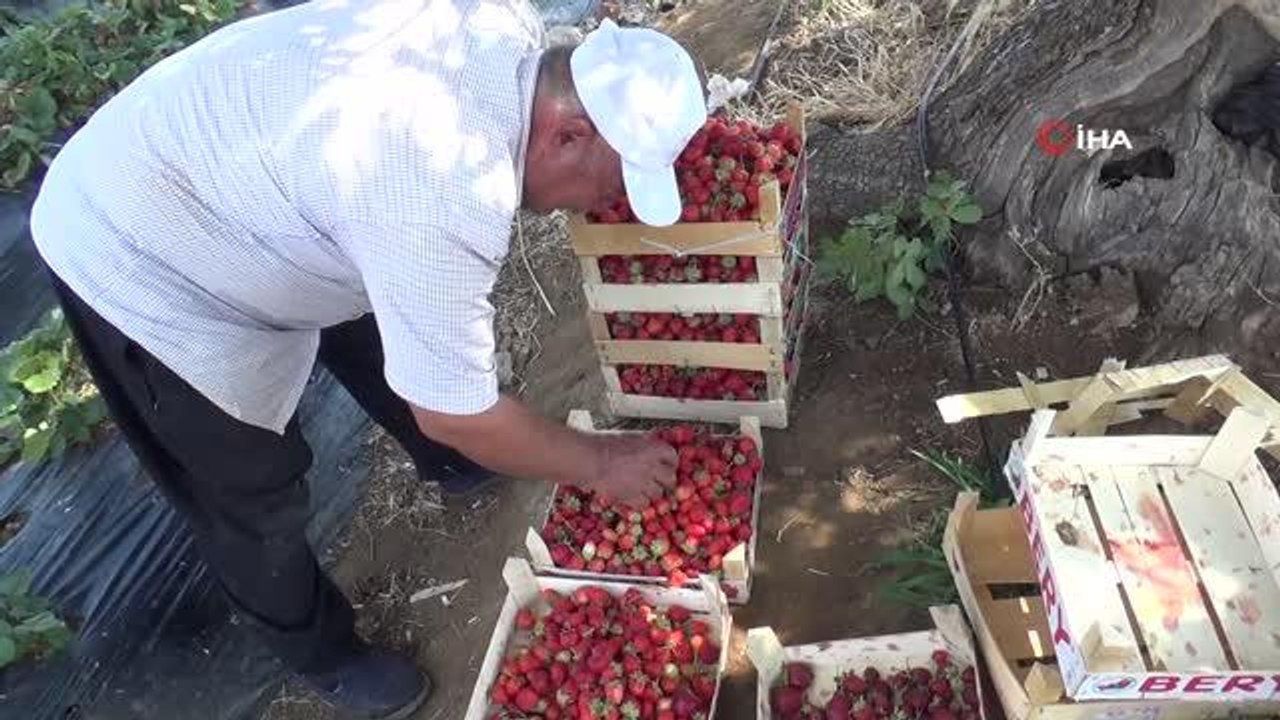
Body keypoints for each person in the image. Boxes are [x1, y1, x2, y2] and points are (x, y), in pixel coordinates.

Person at [28, 1, 709, 717]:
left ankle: (445, 459)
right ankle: (323, 653)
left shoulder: (505, 29)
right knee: (248, 481)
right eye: (614, 177)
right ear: (567, 133)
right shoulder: (440, 191)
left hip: (250, 169)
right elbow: (456, 406)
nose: (608, 200)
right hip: (135, 240)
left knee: (381, 313)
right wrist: (600, 461)